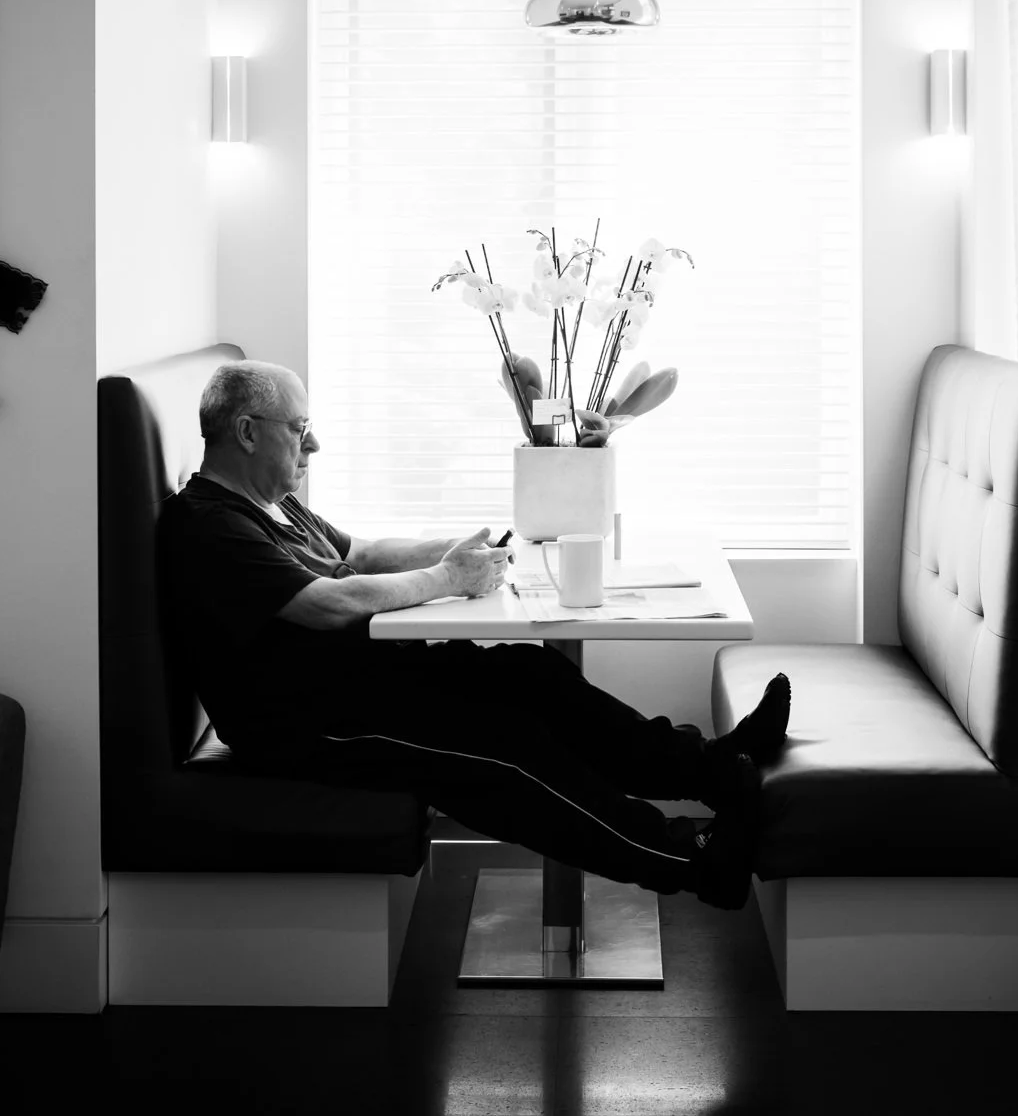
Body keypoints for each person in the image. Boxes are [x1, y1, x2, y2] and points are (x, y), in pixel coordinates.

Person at [156, 360, 792, 909]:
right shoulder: (209, 525)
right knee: (503, 747)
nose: (313, 444)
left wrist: (469, 551)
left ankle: (709, 768)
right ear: (245, 432)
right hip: (307, 721)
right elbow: (329, 602)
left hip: (359, 682)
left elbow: (367, 552)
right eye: (299, 429)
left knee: (530, 672)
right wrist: (445, 578)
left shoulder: (274, 501)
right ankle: (691, 858)